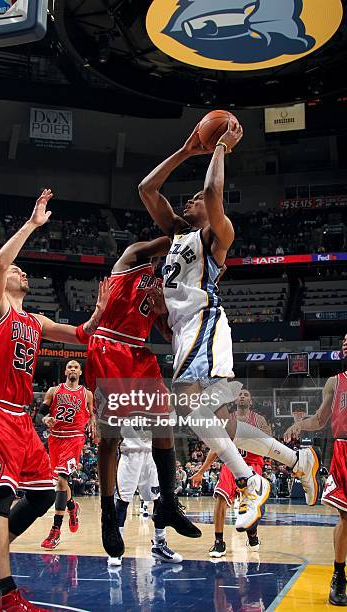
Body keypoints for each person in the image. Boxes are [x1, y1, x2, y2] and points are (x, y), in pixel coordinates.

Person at [138, 120, 320, 533]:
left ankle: (250, 481)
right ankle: (296, 460)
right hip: (185, 331)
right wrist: (186, 150)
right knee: (223, 424)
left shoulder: (218, 234)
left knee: (188, 405)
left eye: (198, 198)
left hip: (205, 323)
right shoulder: (176, 235)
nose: (192, 199)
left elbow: (215, 193)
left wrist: (219, 147)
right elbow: (147, 190)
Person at [0, 190, 109, 612]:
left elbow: (80, 335)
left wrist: (97, 316)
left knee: (44, 495)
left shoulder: (35, 320)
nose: (21, 272)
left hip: (21, 420)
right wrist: (31, 225)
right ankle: (7, 594)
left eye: (23, 271)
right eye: (17, 271)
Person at [85, 236, 201, 559]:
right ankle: (108, 515)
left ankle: (168, 502)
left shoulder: (163, 285)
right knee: (110, 438)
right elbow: (166, 239)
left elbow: (165, 331)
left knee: (164, 421)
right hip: (111, 346)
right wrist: (185, 232)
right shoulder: (129, 259)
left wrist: (166, 311)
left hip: (138, 352)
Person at [284, 334, 347, 606]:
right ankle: (339, 576)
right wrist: (300, 425)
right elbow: (320, 420)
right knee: (346, 517)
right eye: (344, 339)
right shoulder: (335, 382)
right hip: (344, 449)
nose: (345, 342)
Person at [192, 389, 271, 556]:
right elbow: (216, 447)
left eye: (246, 395)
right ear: (235, 400)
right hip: (230, 463)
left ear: (251, 401)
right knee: (220, 497)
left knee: (250, 503)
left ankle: (253, 534)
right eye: (240, 394)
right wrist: (201, 471)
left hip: (252, 463)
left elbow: (269, 445)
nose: (242, 396)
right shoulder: (226, 420)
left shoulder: (259, 420)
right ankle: (219, 542)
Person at [38, 360, 96, 550]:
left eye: (76, 367)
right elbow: (42, 413)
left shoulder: (87, 394)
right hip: (56, 439)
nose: (72, 369)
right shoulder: (54, 391)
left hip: (74, 439)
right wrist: (46, 419)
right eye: (69, 367)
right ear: (65, 371)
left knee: (62, 481)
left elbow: (92, 416)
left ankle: (55, 531)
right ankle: (72, 507)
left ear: (80, 372)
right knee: (61, 483)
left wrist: (94, 427)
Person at [108, 423, 182, 566]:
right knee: (123, 501)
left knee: (158, 500)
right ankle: (116, 549)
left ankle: (159, 545)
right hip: (129, 453)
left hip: (152, 453)